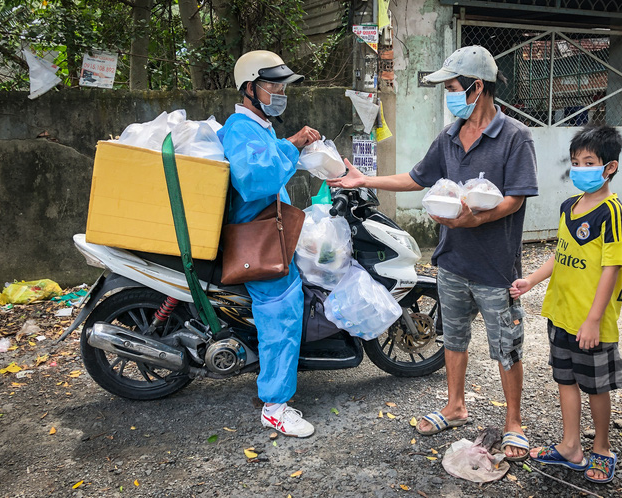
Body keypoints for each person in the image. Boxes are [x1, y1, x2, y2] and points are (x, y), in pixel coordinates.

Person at [328, 46, 538, 460]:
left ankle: (514, 422)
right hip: (453, 260)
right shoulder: (448, 137)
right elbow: (416, 178)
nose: (449, 95)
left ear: (478, 87)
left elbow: (515, 199)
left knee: (506, 343)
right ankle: (455, 406)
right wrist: (363, 179)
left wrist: (474, 220)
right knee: (454, 338)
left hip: (496, 266)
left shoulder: (515, 137)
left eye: (454, 87)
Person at [510, 125, 622, 483]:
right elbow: (561, 254)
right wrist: (531, 280)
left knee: (596, 386)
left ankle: (603, 448)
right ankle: (570, 447)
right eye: (576, 162)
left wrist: (594, 319)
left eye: (589, 162)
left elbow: (613, 267)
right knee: (565, 380)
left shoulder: (612, 212)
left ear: (609, 167)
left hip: (590, 321)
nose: (580, 168)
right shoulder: (569, 207)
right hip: (560, 315)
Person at [217, 50, 320, 438]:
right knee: (283, 308)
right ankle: (275, 406)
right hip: (256, 239)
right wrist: (293, 143)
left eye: (281, 85)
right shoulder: (240, 127)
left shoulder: (260, 127)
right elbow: (256, 180)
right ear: (249, 88)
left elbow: (273, 167)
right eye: (272, 84)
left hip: (270, 230)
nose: (280, 91)